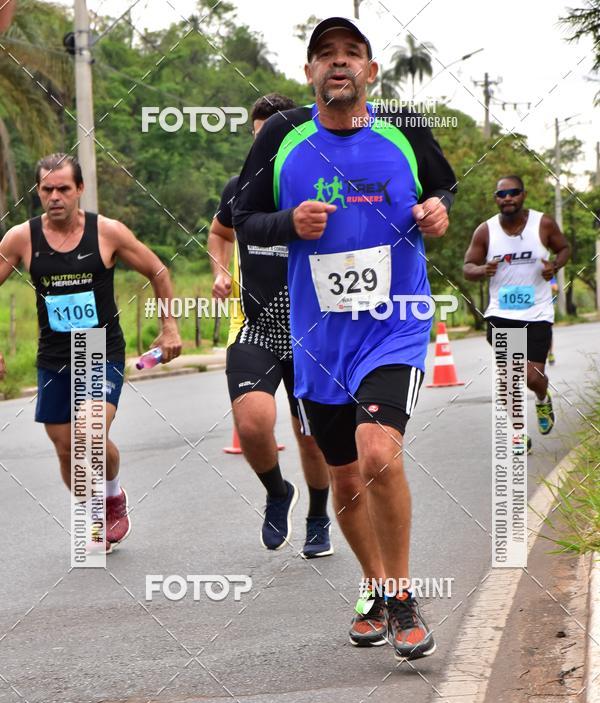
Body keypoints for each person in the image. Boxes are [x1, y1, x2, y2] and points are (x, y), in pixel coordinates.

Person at [233, 17, 456, 659]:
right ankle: (377, 587)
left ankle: (405, 598)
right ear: (308, 74)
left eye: (351, 54)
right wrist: (288, 221)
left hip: (396, 323)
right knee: (346, 475)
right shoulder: (281, 135)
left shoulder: (404, 127)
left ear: (370, 72)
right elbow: (242, 218)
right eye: (325, 54)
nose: (339, 63)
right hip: (319, 338)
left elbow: (440, 187)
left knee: (377, 449)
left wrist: (436, 208)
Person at [0, 153, 181, 550]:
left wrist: (169, 326)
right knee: (67, 449)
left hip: (98, 348)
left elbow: (158, 271)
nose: (55, 196)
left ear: (79, 189)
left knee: (88, 433)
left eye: (64, 188)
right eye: (47, 189)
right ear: (38, 192)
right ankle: (92, 511)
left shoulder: (107, 233)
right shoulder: (20, 238)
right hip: (52, 355)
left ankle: (113, 495)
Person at [208, 94, 333, 559]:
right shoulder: (238, 189)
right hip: (256, 326)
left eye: (276, 137)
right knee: (254, 422)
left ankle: (318, 516)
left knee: (313, 439)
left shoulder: (320, 185)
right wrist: (219, 271)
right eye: (260, 137)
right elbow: (220, 233)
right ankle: (277, 492)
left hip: (311, 332)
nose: (267, 146)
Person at [464, 175, 570, 451]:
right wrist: (482, 270)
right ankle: (518, 432)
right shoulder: (485, 231)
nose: (507, 198)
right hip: (502, 314)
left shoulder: (543, 224)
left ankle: (543, 400)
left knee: (533, 377)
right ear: (496, 199)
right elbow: (468, 266)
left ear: (523, 195)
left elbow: (564, 248)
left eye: (513, 193)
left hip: (537, 312)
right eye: (502, 194)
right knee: (509, 377)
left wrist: (555, 266)